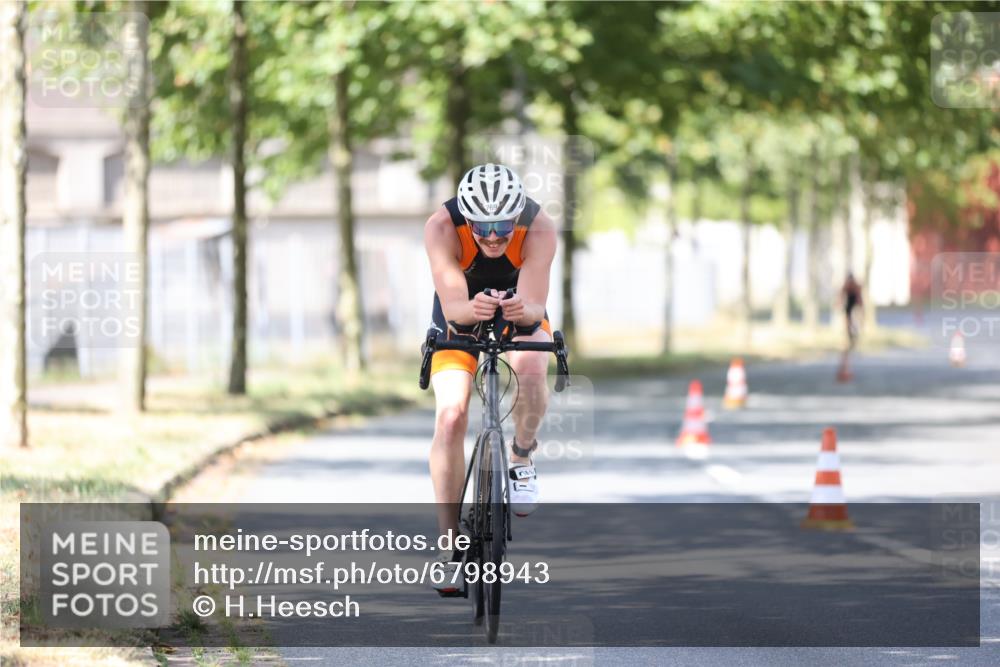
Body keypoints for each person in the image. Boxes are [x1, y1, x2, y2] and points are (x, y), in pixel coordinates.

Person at [423, 163, 557, 593]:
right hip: (462, 312)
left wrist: (522, 310)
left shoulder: (538, 227)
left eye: (503, 224)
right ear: (467, 216)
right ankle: (448, 546)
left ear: (517, 215)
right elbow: (455, 305)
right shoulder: (442, 227)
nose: (495, 235)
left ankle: (520, 457)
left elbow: (536, 305)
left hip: (520, 308)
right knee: (450, 416)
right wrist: (474, 309)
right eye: (483, 227)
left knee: (534, 367)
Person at [837, 273, 863, 381]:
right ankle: (851, 337)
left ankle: (853, 337)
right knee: (850, 325)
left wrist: (861, 312)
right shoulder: (846, 287)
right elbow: (841, 297)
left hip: (853, 308)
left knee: (853, 325)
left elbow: (859, 300)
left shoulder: (855, 287)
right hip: (849, 309)